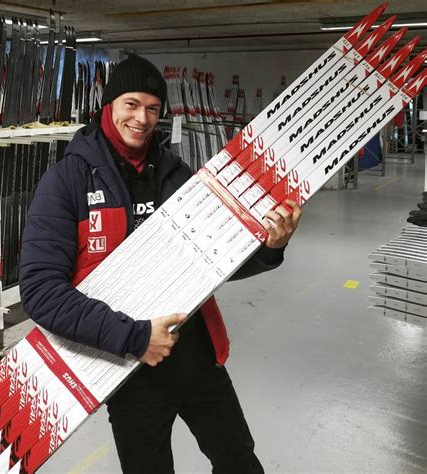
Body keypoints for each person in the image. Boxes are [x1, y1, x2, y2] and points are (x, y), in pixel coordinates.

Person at [19, 54, 302, 474]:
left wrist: (268, 248)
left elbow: (216, 258)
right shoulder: (67, 181)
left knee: (238, 459)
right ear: (110, 104)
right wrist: (134, 337)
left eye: (153, 108)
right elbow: (41, 293)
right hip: (131, 369)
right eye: (131, 104)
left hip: (198, 357)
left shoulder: (177, 175)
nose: (142, 118)